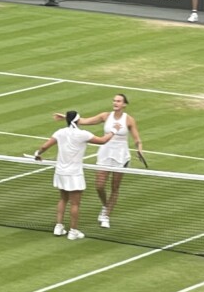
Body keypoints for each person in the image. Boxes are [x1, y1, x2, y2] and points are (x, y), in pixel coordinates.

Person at [53, 94, 143, 229]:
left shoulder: (129, 120)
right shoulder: (105, 116)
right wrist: (66, 118)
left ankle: (106, 214)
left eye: (118, 101)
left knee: (115, 187)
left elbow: (137, 139)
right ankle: (106, 206)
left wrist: (139, 149)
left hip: (121, 156)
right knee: (99, 186)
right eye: (114, 100)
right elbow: (83, 121)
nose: (115, 103)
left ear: (124, 104)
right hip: (104, 154)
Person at [34, 111, 119, 241]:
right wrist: (114, 130)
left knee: (63, 199)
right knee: (75, 204)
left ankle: (59, 226)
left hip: (61, 172)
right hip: (74, 174)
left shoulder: (60, 132)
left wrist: (37, 153)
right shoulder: (83, 134)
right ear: (78, 121)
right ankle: (73, 231)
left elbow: (45, 146)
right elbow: (103, 141)